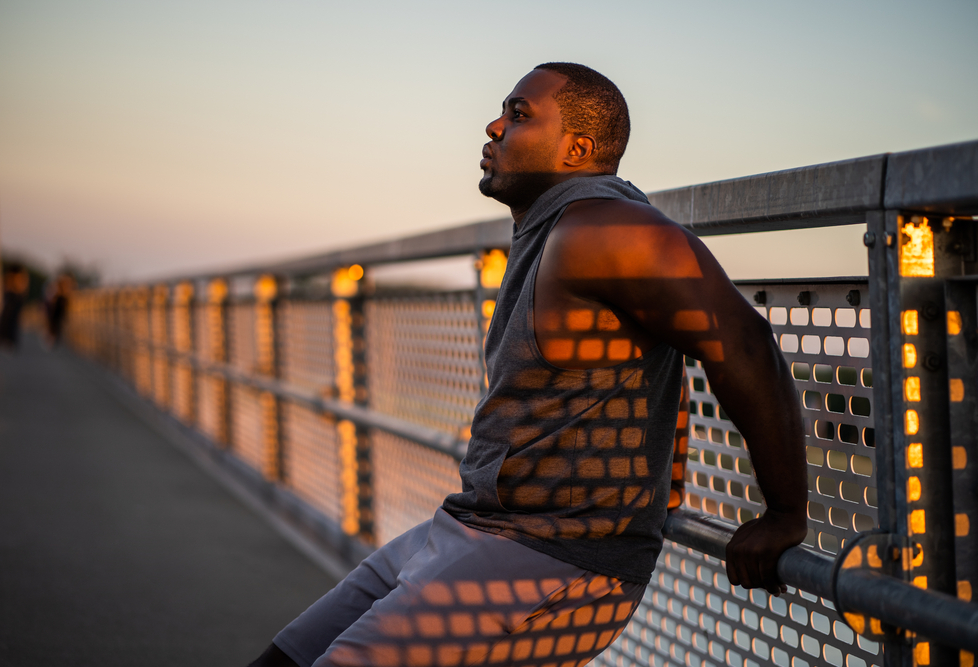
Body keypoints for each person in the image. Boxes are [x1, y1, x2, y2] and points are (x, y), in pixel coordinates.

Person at [249, 63, 807, 667]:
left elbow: (745, 345)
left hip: (551, 556)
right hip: (474, 526)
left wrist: (783, 513)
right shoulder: (552, 229)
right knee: (284, 658)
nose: (493, 126)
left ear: (578, 150)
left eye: (519, 115)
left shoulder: (606, 228)